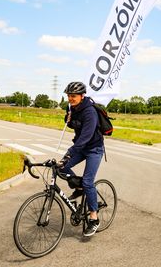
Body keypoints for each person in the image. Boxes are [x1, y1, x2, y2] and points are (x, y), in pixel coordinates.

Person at [60, 81, 104, 237]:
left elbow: (86, 136)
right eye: (68, 96)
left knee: (87, 181)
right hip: (80, 147)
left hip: (94, 149)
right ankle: (79, 189)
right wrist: (68, 119)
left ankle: (94, 218)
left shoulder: (90, 112)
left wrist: (71, 151)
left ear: (82, 96)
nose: (70, 99)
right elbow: (73, 125)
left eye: (73, 96)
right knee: (61, 166)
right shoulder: (72, 107)